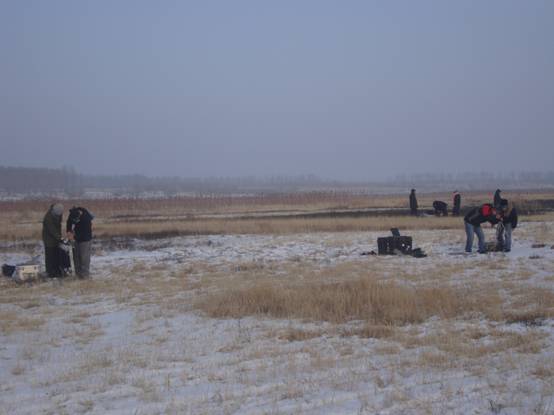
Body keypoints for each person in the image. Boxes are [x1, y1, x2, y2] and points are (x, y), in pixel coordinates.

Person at [66, 206, 94, 278]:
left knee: (84, 258)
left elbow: (83, 234)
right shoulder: (73, 213)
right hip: (77, 239)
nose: (75, 222)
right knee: (76, 257)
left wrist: (73, 237)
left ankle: (85, 275)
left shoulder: (86, 219)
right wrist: (68, 231)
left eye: (76, 220)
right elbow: (69, 222)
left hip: (85, 240)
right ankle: (78, 274)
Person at [42, 203, 64, 278]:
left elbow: (59, 225)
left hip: (56, 239)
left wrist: (59, 237)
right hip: (49, 240)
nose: (59, 216)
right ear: (54, 211)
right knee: (50, 257)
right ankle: (50, 273)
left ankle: (57, 271)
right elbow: (52, 230)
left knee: (56, 256)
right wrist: (60, 238)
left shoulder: (58, 214)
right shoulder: (48, 218)